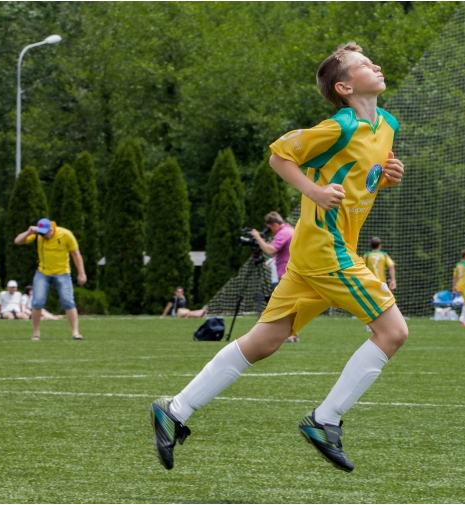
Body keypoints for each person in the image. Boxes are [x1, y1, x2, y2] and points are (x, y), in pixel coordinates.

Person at [149, 42, 407, 474]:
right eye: (364, 64)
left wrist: (388, 179)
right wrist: (314, 191)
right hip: (326, 251)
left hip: (318, 253)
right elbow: (279, 156)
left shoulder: (388, 125)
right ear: (344, 88)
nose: (376, 66)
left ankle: (174, 410)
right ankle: (325, 421)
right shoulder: (337, 126)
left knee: (264, 341)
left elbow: (363, 178)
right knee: (393, 332)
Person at [14, 218, 86, 340]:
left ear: (51, 229)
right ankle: (36, 333)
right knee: (37, 302)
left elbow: (76, 254)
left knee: (68, 302)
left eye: (44, 233)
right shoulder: (38, 234)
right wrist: (28, 232)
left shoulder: (65, 234)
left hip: (62, 273)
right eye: (40, 233)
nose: (43, 236)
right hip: (43, 273)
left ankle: (75, 332)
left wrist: (81, 273)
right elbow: (17, 241)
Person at [250, 211, 299, 342]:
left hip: (287, 274)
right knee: (288, 305)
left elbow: (270, 250)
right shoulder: (290, 230)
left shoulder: (283, 233)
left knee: (284, 305)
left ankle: (290, 335)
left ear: (275, 224)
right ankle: (292, 334)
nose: (270, 231)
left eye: (270, 228)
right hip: (292, 272)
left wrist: (258, 237)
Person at [363, 237, 396, 331]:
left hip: (370, 282)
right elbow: (391, 266)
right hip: (381, 284)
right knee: (384, 304)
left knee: (370, 304)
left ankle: (370, 325)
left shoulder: (367, 255)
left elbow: (362, 267)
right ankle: (386, 324)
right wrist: (393, 280)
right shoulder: (384, 255)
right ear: (380, 245)